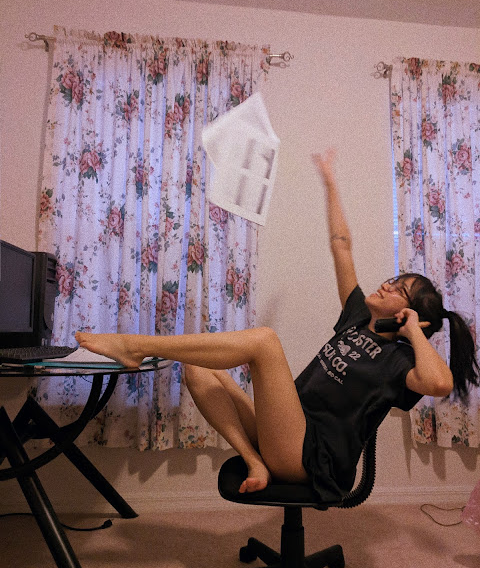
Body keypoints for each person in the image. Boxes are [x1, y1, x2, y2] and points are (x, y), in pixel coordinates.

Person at [75, 150, 479, 501]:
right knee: (198, 366)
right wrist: (330, 181)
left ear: (412, 315)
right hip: (286, 432)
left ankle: (134, 345)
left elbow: (439, 384)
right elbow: (341, 244)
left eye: (399, 290)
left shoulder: (400, 360)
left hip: (313, 460)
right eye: (394, 279)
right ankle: (254, 460)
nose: (387, 284)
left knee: (265, 341)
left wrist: (413, 331)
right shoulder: (357, 316)